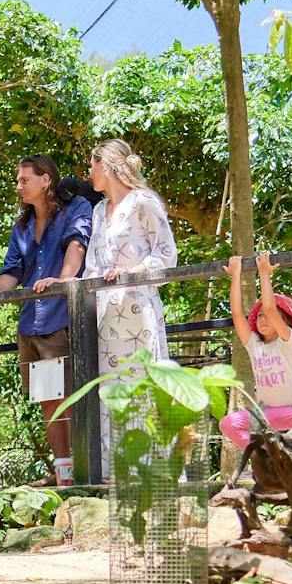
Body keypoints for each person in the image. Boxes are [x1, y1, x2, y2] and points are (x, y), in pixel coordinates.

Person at [0, 159, 94, 486]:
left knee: (76, 396)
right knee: (50, 400)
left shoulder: (75, 207)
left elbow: (77, 247)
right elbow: (12, 271)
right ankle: (64, 473)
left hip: (63, 317)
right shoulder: (21, 226)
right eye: (17, 180)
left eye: (25, 179)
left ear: (46, 179)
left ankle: (86, 469)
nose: (19, 185)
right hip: (31, 324)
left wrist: (62, 282)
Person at [82, 139, 176, 478]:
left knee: (144, 384)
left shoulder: (144, 202)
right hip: (105, 315)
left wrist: (130, 272)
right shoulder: (98, 211)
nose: (88, 173)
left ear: (106, 166)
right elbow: (92, 265)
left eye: (92, 166)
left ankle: (155, 470)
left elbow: (166, 256)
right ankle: (116, 472)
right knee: (111, 390)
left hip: (138, 310)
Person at [223, 249, 292, 454]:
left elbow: (270, 307)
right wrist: (235, 275)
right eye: (259, 316)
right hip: (267, 414)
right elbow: (236, 314)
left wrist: (264, 273)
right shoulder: (254, 345)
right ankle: (267, 457)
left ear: (284, 322)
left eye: (268, 316)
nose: (263, 318)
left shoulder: (287, 342)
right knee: (228, 424)